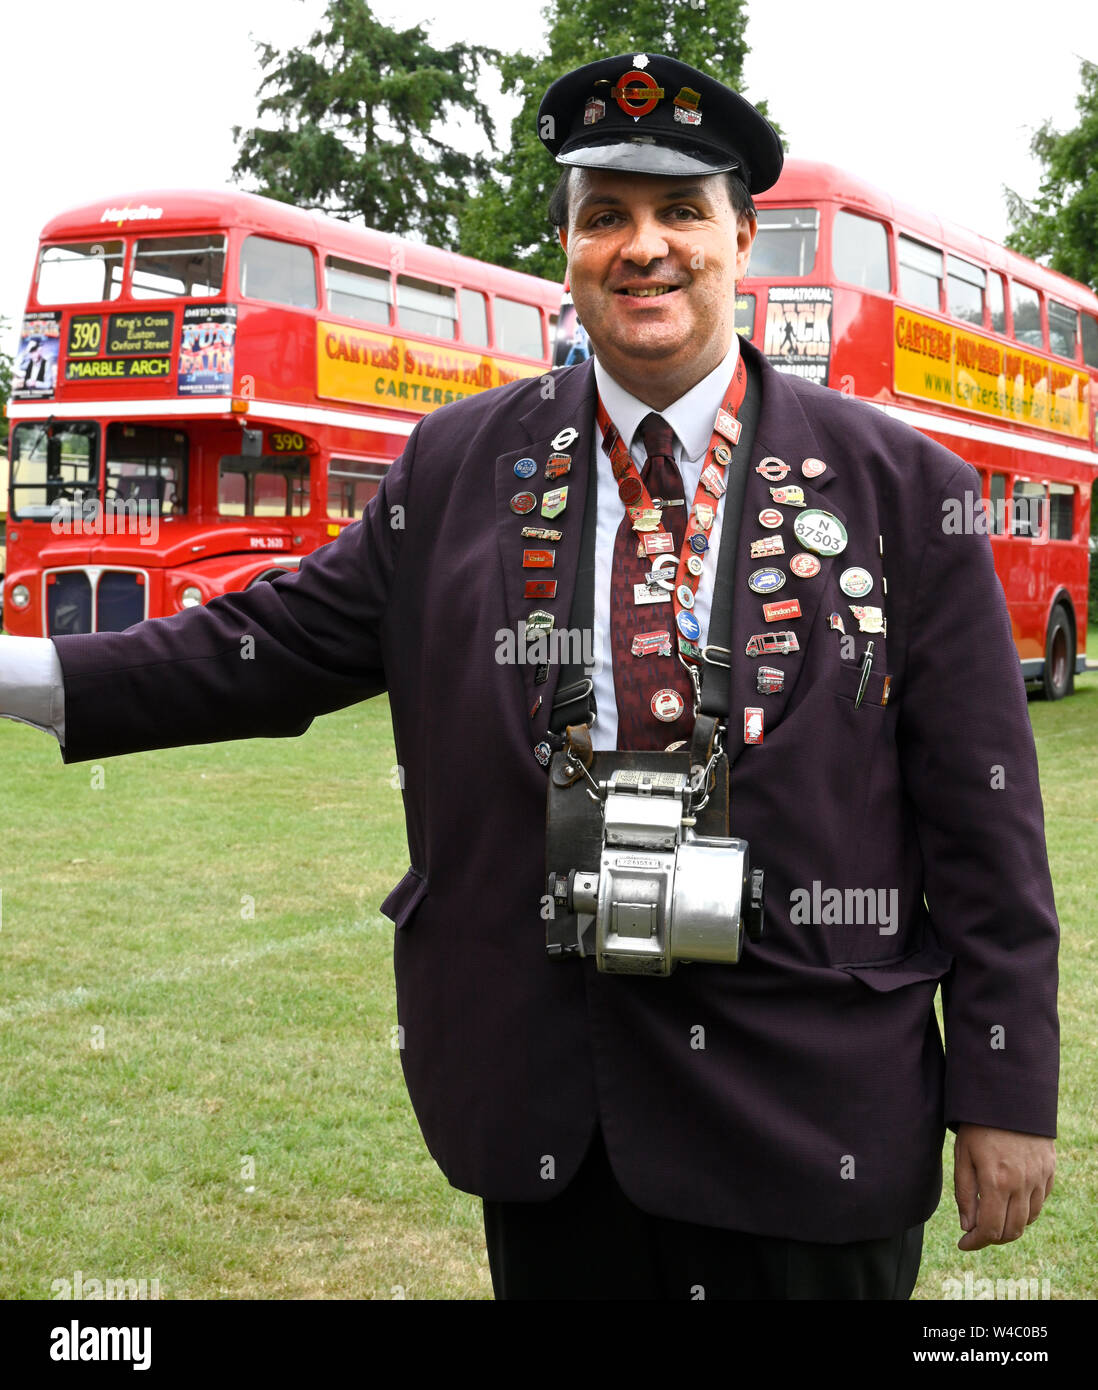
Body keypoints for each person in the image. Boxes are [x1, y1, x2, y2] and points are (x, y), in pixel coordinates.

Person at [0, 53, 1058, 1301]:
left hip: (808, 1121)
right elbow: (264, 646)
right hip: (558, 1117)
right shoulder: (456, 466)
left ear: (741, 238)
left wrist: (1002, 1085)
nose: (643, 247)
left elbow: (984, 818)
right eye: (604, 215)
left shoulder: (898, 488)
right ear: (566, 250)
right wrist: (18, 669)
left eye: (679, 213)